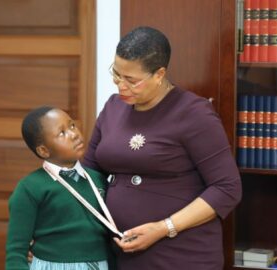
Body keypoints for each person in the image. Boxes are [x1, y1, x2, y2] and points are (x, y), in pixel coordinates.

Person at [82, 26, 242, 269]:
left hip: (180, 254)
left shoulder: (194, 114)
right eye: (116, 74)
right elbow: (87, 175)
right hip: (118, 252)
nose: (121, 86)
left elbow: (227, 188)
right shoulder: (113, 107)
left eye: (132, 80)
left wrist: (164, 227)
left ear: (159, 74)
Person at [5, 106, 116, 270]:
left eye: (72, 125)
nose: (74, 134)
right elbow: (16, 251)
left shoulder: (97, 179)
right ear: (43, 150)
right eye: (62, 133)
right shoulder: (29, 187)